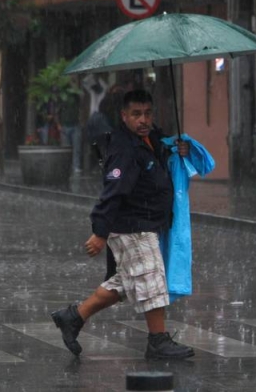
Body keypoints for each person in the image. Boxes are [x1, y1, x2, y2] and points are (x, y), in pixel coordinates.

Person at [51, 89, 194, 360]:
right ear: (124, 116)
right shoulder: (124, 147)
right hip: (132, 224)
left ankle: (73, 317)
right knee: (151, 279)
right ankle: (157, 341)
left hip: (147, 222)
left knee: (128, 282)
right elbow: (113, 191)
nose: (143, 120)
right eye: (136, 114)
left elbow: (162, 157)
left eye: (148, 113)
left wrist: (177, 148)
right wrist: (99, 231)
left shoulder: (151, 139)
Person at [59, 76, 83, 174]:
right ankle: (66, 167)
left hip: (75, 125)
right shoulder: (62, 96)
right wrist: (58, 125)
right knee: (66, 149)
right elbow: (57, 110)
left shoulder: (76, 95)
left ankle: (75, 166)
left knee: (76, 148)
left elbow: (81, 104)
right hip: (65, 125)